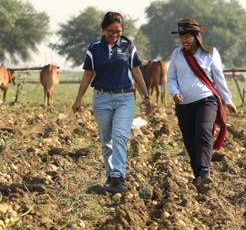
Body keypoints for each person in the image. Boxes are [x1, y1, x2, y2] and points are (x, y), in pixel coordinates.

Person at [73, 12, 152, 193]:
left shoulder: (128, 47)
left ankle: (118, 175)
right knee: (106, 139)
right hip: (101, 99)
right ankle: (110, 176)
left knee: (119, 135)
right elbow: (87, 74)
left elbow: (136, 71)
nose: (114, 35)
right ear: (103, 29)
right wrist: (78, 99)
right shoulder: (94, 48)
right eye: (110, 31)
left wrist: (146, 97)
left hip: (125, 97)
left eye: (118, 31)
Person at [166, 18, 237, 190]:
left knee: (203, 130)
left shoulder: (210, 53)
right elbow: (171, 78)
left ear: (197, 36)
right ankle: (199, 175)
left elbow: (218, 78)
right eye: (182, 36)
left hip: (206, 100)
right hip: (184, 105)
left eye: (188, 36)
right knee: (189, 140)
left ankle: (205, 170)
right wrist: (175, 93)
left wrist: (227, 100)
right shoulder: (177, 54)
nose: (184, 40)